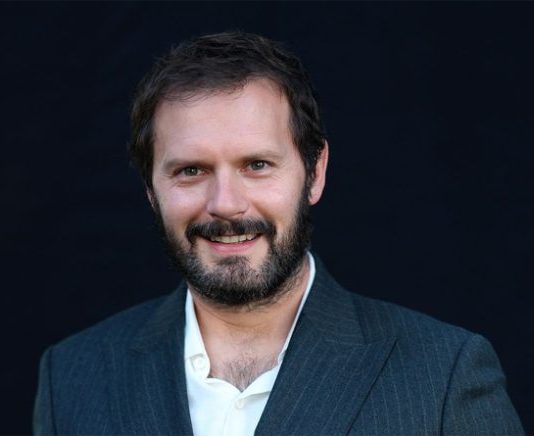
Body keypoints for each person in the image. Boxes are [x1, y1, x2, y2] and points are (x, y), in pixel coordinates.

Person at [34, 31, 524, 435]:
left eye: (257, 165)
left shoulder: (443, 376)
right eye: (191, 171)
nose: (226, 203)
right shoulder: (72, 377)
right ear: (150, 189)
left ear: (315, 173)